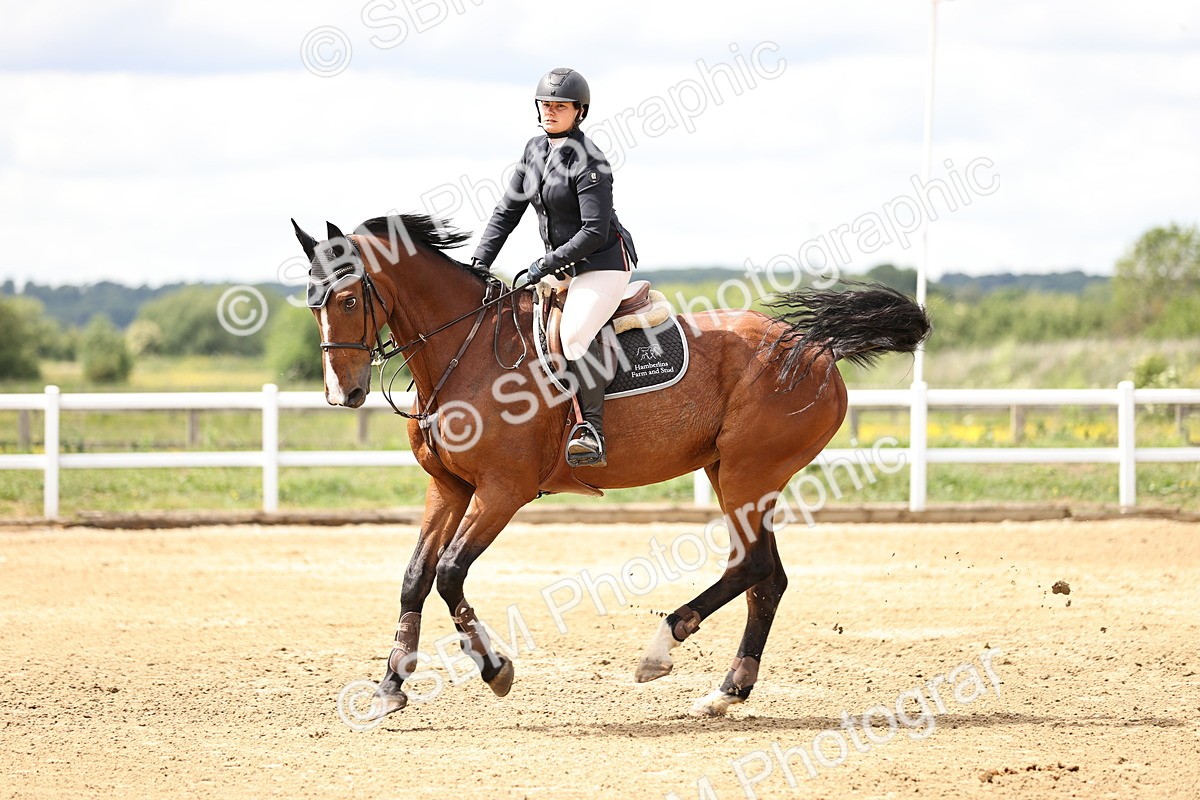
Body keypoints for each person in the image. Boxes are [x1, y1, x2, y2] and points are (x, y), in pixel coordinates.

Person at [471, 67, 637, 468]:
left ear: (579, 112)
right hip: (564, 265)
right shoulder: (534, 150)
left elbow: (595, 231)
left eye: (559, 106)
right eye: (545, 104)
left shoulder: (591, 160)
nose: (550, 111)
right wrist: (479, 261)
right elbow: (507, 210)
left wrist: (544, 263)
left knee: (575, 333)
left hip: (602, 263)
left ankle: (591, 430)